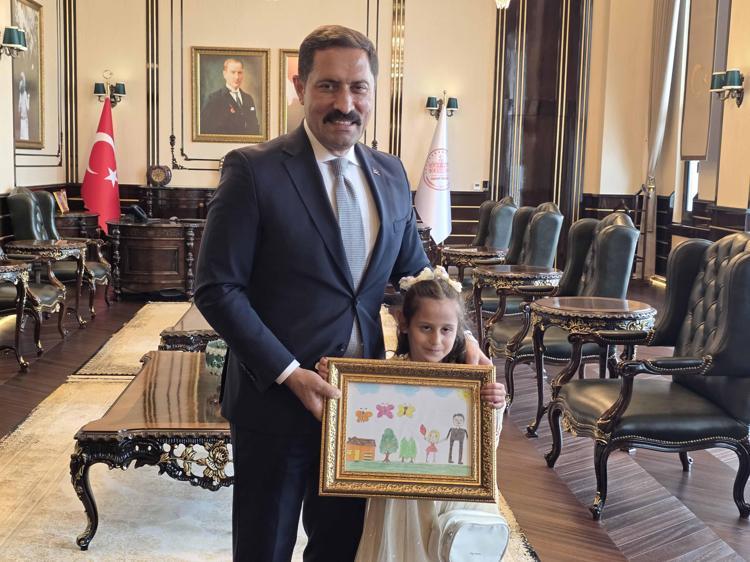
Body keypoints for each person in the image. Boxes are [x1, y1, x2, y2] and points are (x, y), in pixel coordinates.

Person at [194, 25, 492, 562]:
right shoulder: (254, 170)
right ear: (300, 87)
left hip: (365, 407)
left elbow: (414, 273)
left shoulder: (391, 173)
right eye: (328, 86)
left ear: (374, 92)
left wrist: (463, 341)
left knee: (342, 548)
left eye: (359, 88)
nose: (345, 104)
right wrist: (289, 372)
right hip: (275, 400)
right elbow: (217, 289)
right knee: (264, 547)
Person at [318, 266, 508, 562]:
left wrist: (495, 403)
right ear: (405, 324)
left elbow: (486, 444)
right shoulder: (383, 379)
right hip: (399, 498)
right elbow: (357, 421)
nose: (436, 341)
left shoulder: (469, 381)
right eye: (426, 328)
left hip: (449, 497)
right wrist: (335, 380)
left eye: (446, 330)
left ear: (458, 330)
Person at [200, 57, 260, 135]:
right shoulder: (214, 99)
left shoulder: (248, 99)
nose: (237, 77)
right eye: (233, 72)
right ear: (225, 74)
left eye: (240, 72)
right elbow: (206, 129)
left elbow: (255, 128)